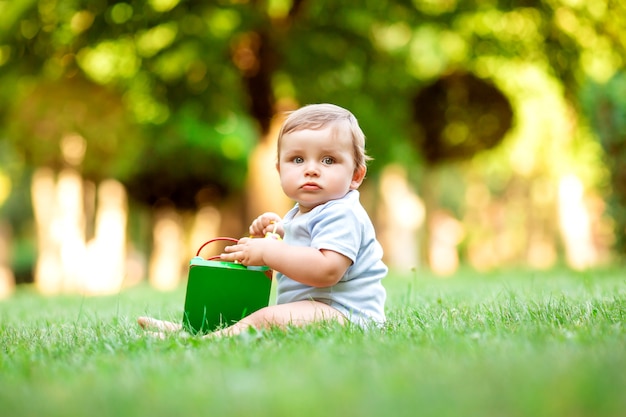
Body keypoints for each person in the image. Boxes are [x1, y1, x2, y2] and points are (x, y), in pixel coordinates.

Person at [138, 103, 387, 337]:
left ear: (356, 176)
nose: (311, 169)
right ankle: (194, 330)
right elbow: (306, 243)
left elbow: (327, 269)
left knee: (266, 319)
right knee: (252, 314)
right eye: (298, 160)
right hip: (321, 309)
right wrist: (279, 230)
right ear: (280, 170)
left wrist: (270, 252)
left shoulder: (343, 213)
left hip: (347, 315)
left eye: (328, 160)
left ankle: (203, 340)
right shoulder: (308, 211)